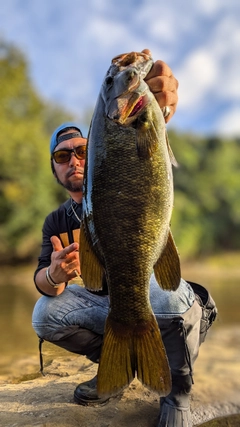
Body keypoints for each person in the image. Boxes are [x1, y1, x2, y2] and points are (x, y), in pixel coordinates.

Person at [32, 50, 217, 427]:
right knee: (44, 312)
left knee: (156, 291)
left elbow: (154, 121)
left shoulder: (134, 127)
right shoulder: (56, 220)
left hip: (168, 298)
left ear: (95, 150)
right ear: (53, 166)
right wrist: (52, 275)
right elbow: (41, 283)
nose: (73, 160)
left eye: (81, 150)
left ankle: (177, 392)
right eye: (61, 155)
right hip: (115, 307)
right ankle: (117, 371)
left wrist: (160, 109)